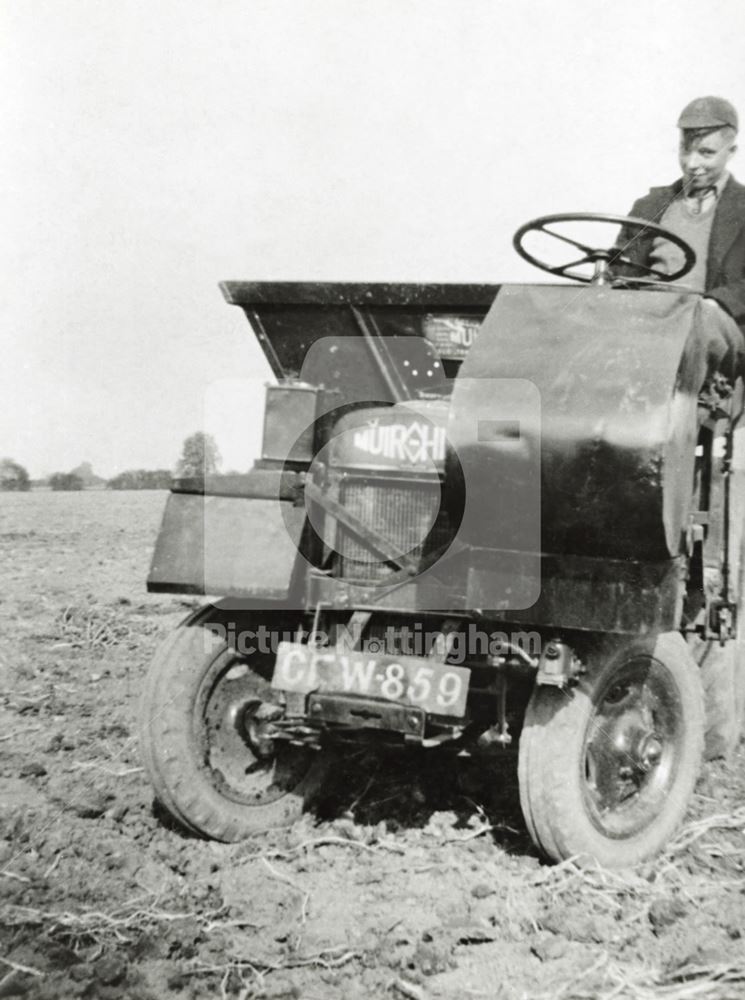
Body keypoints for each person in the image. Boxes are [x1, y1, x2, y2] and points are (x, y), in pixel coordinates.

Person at [619, 97, 745, 334]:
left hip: (715, 324)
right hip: (649, 319)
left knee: (699, 329)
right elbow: (622, 273)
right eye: (685, 150)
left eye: (706, 153)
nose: (691, 163)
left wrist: (716, 303)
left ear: (731, 152)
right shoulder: (649, 206)